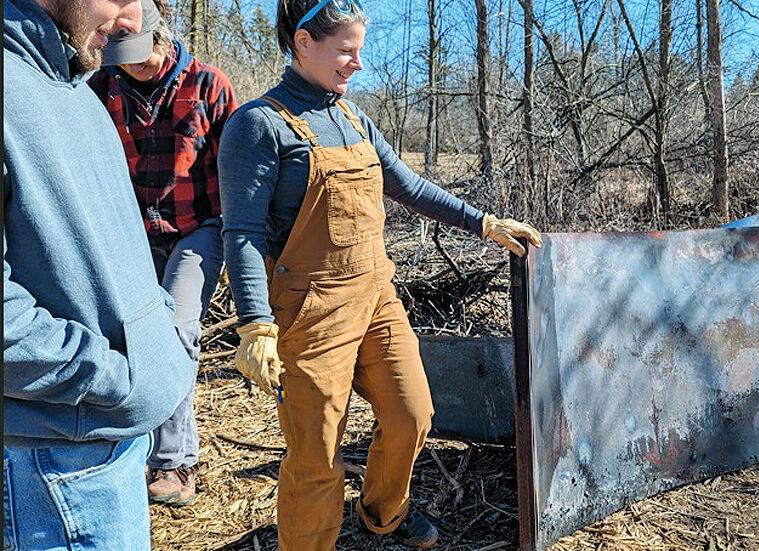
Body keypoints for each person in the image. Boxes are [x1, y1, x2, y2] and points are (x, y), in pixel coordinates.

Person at [218, 1, 541, 548]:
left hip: (376, 299)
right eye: (347, 50)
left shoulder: (351, 117)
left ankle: (382, 511)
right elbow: (242, 233)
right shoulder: (258, 125)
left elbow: (409, 188)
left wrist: (483, 223)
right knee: (317, 455)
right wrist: (254, 323)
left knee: (412, 412)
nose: (357, 64)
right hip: (310, 312)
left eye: (359, 51)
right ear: (303, 42)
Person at [3, 0, 196, 548]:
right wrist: (108, 377)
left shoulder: (76, 90)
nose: (135, 22)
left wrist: (155, 338)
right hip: (51, 462)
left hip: (107, 442)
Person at [89, 0, 237, 506]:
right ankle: (126, 444)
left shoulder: (208, 84)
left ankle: (174, 462)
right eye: (119, 57)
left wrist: (246, 248)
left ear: (161, 38)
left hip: (198, 226)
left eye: (138, 55)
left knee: (175, 326)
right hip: (131, 231)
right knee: (127, 333)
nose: (131, 66)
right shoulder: (100, 89)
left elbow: (235, 174)